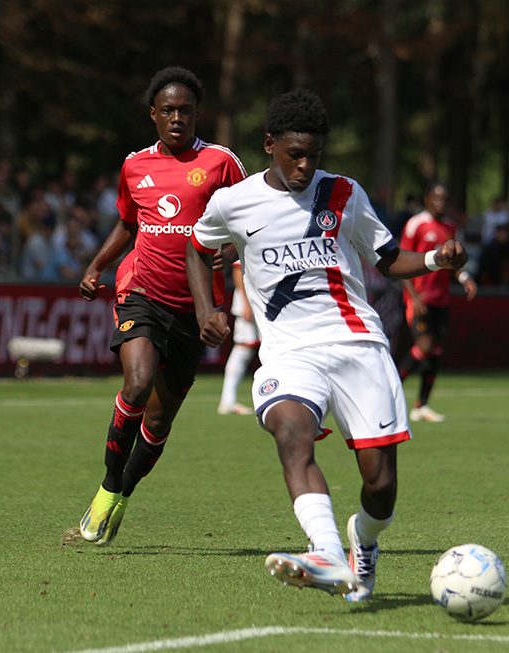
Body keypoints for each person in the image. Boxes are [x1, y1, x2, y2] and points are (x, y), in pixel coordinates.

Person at [185, 89, 469, 602]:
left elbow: (386, 259)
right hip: (290, 353)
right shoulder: (234, 201)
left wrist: (434, 262)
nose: (304, 165)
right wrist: (207, 309)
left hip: (358, 344)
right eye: (294, 154)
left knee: (380, 487)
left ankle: (363, 539)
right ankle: (328, 553)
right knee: (290, 432)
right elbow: (198, 246)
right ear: (269, 144)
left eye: (313, 155)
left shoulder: (343, 193)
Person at [76, 66, 247, 547]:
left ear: (197, 115)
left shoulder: (221, 162)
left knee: (158, 420)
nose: (177, 118)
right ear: (153, 115)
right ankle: (107, 488)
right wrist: (96, 266)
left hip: (196, 309)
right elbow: (127, 224)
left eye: (186, 111)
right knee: (138, 382)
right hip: (141, 289)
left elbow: (252, 221)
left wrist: (229, 256)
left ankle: (124, 492)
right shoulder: (135, 166)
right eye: (168, 110)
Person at [397, 181, 476, 423]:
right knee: (425, 344)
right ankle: (389, 387)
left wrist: (464, 277)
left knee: (435, 351)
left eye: (445, 199)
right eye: (436, 198)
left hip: (441, 299)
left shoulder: (450, 227)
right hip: (421, 299)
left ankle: (422, 405)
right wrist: (413, 296)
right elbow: (402, 260)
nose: (441, 202)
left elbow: (453, 263)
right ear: (428, 198)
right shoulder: (416, 224)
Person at [216, 261, 260, 415]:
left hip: (267, 301)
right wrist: (246, 304)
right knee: (243, 348)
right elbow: (237, 268)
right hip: (252, 303)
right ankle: (227, 401)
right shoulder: (248, 237)